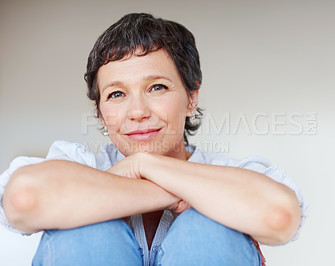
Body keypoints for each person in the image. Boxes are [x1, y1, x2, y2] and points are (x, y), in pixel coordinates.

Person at [0, 13, 307, 266]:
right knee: (85, 230)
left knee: (210, 228)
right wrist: (168, 190)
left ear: (190, 98)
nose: (137, 112)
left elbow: (279, 216)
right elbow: (24, 200)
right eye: (117, 94)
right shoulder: (79, 165)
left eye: (157, 88)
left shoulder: (233, 175)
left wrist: (143, 164)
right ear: (101, 112)